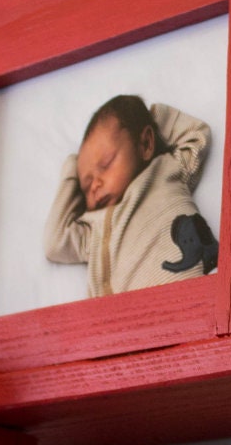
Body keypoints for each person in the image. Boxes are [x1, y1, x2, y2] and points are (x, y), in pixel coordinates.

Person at [44, 95, 218, 297]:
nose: (95, 185)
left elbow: (197, 134)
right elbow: (54, 244)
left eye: (106, 164)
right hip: (138, 317)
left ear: (145, 144)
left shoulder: (165, 170)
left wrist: (146, 118)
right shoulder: (95, 228)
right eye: (86, 185)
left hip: (205, 292)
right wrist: (71, 169)